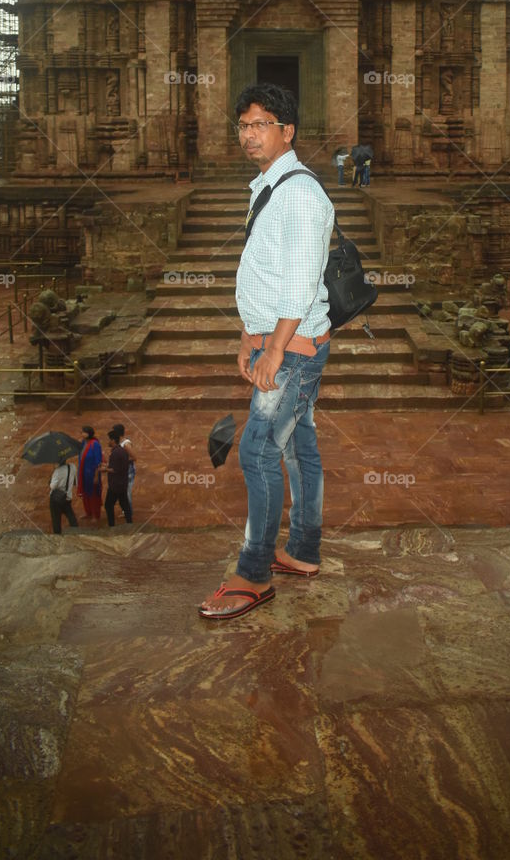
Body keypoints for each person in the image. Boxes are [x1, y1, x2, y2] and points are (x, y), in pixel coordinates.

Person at [200, 82, 334, 621]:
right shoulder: (267, 185)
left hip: (295, 348)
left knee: (257, 451)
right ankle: (302, 549)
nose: (250, 135)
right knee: (298, 446)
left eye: (261, 124)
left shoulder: (300, 193)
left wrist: (274, 350)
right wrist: (247, 337)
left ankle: (253, 572)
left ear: (288, 131)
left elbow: (300, 284)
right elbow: (265, 272)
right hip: (281, 341)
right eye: (243, 125)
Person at [102, 427, 132, 526]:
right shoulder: (122, 451)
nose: (108, 442)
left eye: (109, 440)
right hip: (123, 483)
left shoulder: (115, 453)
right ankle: (129, 523)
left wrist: (105, 469)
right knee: (124, 504)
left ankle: (111, 525)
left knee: (108, 505)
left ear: (113, 440)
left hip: (115, 485)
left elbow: (115, 469)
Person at [76, 425, 103, 520]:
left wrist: (96, 476)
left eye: (83, 432)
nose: (81, 434)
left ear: (88, 433)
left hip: (92, 473)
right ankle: (88, 512)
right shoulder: (83, 443)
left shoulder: (95, 444)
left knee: (93, 494)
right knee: (85, 494)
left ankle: (95, 515)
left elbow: (98, 462)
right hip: (83, 473)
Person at [49, 453, 78, 534]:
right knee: (71, 516)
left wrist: (52, 476)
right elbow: (75, 481)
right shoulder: (72, 466)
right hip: (67, 497)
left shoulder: (57, 471)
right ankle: (76, 532)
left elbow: (52, 486)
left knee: (56, 520)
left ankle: (57, 535)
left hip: (56, 500)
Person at [115, 423, 137, 506]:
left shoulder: (126, 444)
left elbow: (134, 457)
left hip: (128, 471)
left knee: (127, 492)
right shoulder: (121, 443)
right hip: (124, 470)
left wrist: (120, 461)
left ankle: (128, 512)